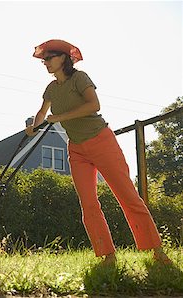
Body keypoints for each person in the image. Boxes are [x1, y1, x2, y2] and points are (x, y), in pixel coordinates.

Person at [25, 39, 171, 265]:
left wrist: (60, 118)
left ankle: (156, 251)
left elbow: (94, 106)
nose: (45, 63)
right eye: (43, 60)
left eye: (49, 58)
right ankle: (107, 255)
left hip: (102, 142)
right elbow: (42, 111)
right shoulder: (51, 89)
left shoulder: (79, 78)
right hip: (77, 149)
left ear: (63, 58)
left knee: (127, 196)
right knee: (89, 203)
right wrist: (34, 126)